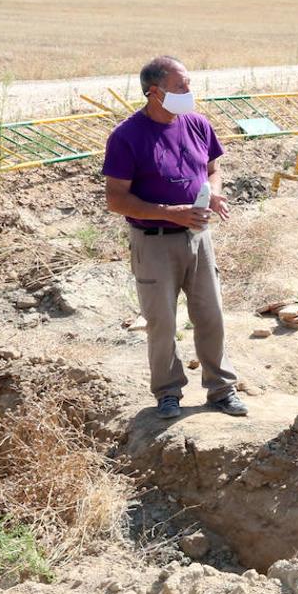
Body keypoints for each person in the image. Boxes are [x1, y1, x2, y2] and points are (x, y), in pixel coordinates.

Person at [103, 56, 247, 420]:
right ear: (155, 92)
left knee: (210, 315)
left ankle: (221, 389)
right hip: (153, 241)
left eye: (188, 84)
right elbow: (116, 199)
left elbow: (213, 169)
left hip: (198, 236)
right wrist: (170, 212)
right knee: (162, 321)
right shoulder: (126, 137)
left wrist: (212, 193)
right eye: (180, 86)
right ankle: (168, 392)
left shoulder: (197, 124)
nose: (188, 91)